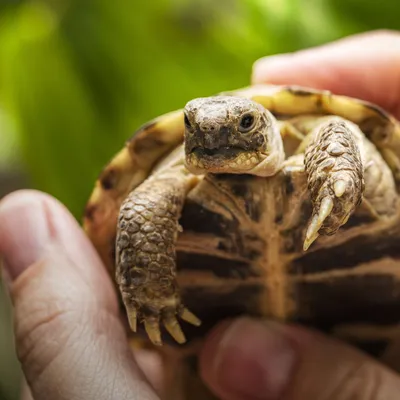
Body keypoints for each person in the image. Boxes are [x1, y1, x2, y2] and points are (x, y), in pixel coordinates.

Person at [1, 29, 400, 400]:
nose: (213, 136)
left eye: (244, 124)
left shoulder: (327, 132)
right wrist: (148, 291)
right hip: (201, 367)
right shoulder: (169, 181)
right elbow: (138, 210)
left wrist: (338, 173)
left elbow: (359, 153)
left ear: (264, 125)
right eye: (196, 127)